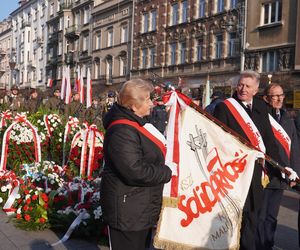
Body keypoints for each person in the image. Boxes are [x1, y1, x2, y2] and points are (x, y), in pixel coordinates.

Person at [213, 70, 294, 250]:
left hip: (256, 172)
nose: (242, 89)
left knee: (253, 217)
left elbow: (268, 141)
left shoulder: (260, 107)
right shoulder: (225, 107)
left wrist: (281, 167)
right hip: (233, 173)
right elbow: (218, 140)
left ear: (256, 90)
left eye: (247, 86)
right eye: (240, 85)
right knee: (233, 217)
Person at [100, 79, 174, 250]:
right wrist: (167, 172)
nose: (152, 104)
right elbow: (135, 171)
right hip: (128, 211)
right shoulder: (122, 131)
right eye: (147, 99)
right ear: (133, 106)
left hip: (140, 206)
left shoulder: (136, 123)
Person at [256, 83, 300, 250]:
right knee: (261, 215)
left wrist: (295, 173)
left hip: (282, 175)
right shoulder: (261, 117)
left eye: (281, 95)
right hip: (265, 173)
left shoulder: (288, 118)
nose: (279, 98)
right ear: (266, 98)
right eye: (275, 95)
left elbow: (294, 147)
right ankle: (259, 245)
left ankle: (268, 244)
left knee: (272, 217)